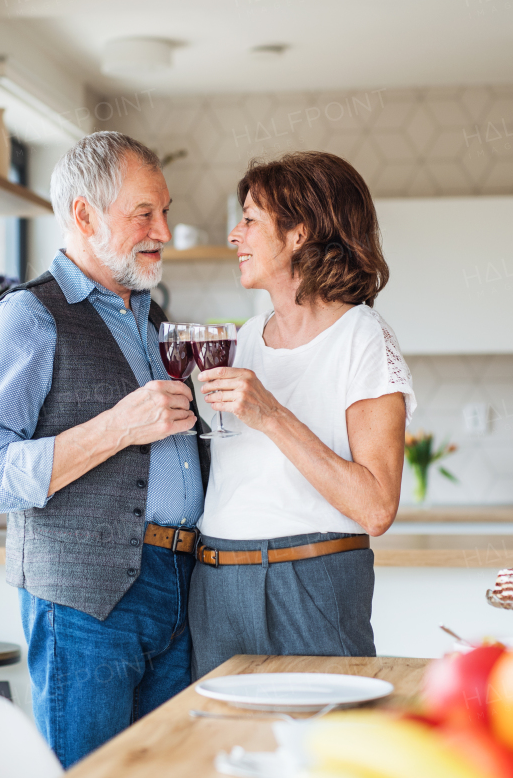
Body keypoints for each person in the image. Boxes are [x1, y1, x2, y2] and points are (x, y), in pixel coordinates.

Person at [0, 132, 209, 768]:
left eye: (166, 212)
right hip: (84, 604)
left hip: (178, 587)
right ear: (84, 216)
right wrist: (116, 427)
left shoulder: (152, 322)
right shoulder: (28, 318)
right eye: (144, 213)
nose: (163, 230)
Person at [189, 151, 414, 678]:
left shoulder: (364, 337)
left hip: (310, 581)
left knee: (322, 750)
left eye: (250, 218)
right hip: (217, 585)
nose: (234, 234)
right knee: (218, 753)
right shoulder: (242, 339)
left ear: (298, 233)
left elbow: (376, 508)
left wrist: (272, 415)